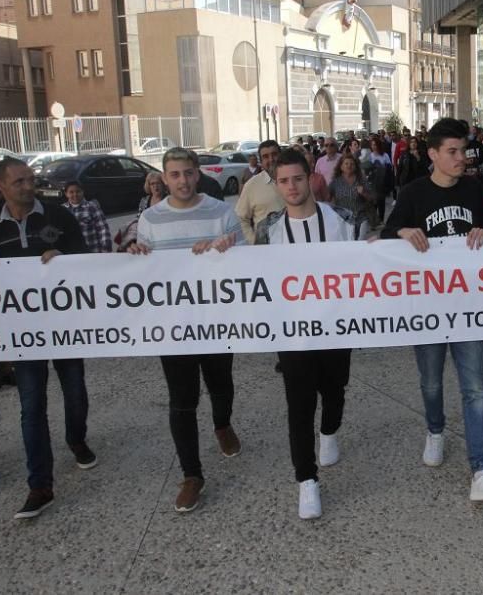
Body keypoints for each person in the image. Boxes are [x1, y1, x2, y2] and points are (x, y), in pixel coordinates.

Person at [381, 118, 483, 503]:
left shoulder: (475, 190)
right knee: (431, 382)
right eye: (453, 152)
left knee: (475, 390)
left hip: (469, 307)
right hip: (426, 310)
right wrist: (402, 232)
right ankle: (435, 429)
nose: (462, 158)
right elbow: (385, 237)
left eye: (464, 150)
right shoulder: (412, 193)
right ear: (434, 155)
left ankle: (481, 470)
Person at [129, 147, 244, 513]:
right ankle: (192, 474)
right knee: (182, 401)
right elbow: (146, 269)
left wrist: (226, 247)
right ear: (163, 178)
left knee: (221, 384)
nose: (182, 180)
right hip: (173, 327)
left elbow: (246, 259)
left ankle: (222, 424)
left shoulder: (220, 211)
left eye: (188, 173)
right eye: (174, 174)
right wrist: (136, 255)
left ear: (198, 174)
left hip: (215, 322)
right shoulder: (149, 218)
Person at [0, 157, 97, 520]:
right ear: (1, 186)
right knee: (31, 406)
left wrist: (64, 256)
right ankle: (40, 485)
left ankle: (76, 438)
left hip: (63, 327)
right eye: (19, 181)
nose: (28, 186)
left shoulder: (58, 217)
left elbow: (85, 257)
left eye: (30, 179)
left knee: (75, 390)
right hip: (23, 333)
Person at [256, 150, 355, 520]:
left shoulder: (341, 220)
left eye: (297, 178)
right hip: (292, 333)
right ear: (276, 183)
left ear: (310, 177)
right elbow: (252, 276)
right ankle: (306, 480)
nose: (291, 187)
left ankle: (330, 431)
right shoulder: (270, 230)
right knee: (298, 405)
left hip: (335, 326)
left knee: (334, 390)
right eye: (283, 181)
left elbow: (362, 266)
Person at [234, 140, 285, 244]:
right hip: (266, 250)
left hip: (295, 246)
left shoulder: (294, 180)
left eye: (274, 154)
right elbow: (240, 218)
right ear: (261, 162)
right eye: (266, 156)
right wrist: (254, 241)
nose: (271, 159)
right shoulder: (251, 185)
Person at [329, 154, 375, 240]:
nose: (349, 166)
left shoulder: (361, 180)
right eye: (346, 163)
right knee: (347, 244)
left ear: (355, 167)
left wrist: (363, 193)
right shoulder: (335, 182)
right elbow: (327, 199)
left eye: (352, 164)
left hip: (361, 219)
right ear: (341, 166)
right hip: (343, 220)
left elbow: (372, 198)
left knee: (359, 243)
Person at [61, 181, 112, 253]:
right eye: (71, 192)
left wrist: (105, 248)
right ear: (66, 194)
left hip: (92, 251)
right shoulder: (62, 209)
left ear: (83, 192)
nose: (75, 194)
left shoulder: (92, 206)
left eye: (78, 191)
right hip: (72, 253)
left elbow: (103, 228)